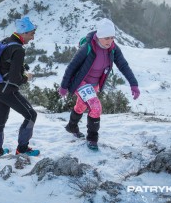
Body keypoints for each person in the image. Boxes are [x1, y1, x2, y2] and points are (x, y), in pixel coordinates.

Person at [59, 18, 140, 151]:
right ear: (99, 36)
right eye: (106, 38)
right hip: (82, 82)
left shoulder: (113, 49)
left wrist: (133, 84)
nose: (110, 41)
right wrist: (63, 86)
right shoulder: (88, 47)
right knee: (95, 107)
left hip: (94, 84)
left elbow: (123, 65)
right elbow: (72, 66)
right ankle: (92, 138)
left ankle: (71, 127)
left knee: (81, 105)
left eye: (112, 37)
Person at [0, 17, 39, 157]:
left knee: (1, 119)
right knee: (31, 115)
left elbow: (4, 64)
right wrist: (26, 77)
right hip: (7, 90)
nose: (33, 38)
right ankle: (22, 149)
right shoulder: (18, 49)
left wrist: (21, 67)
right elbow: (15, 78)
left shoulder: (6, 41)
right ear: (23, 33)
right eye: (31, 34)